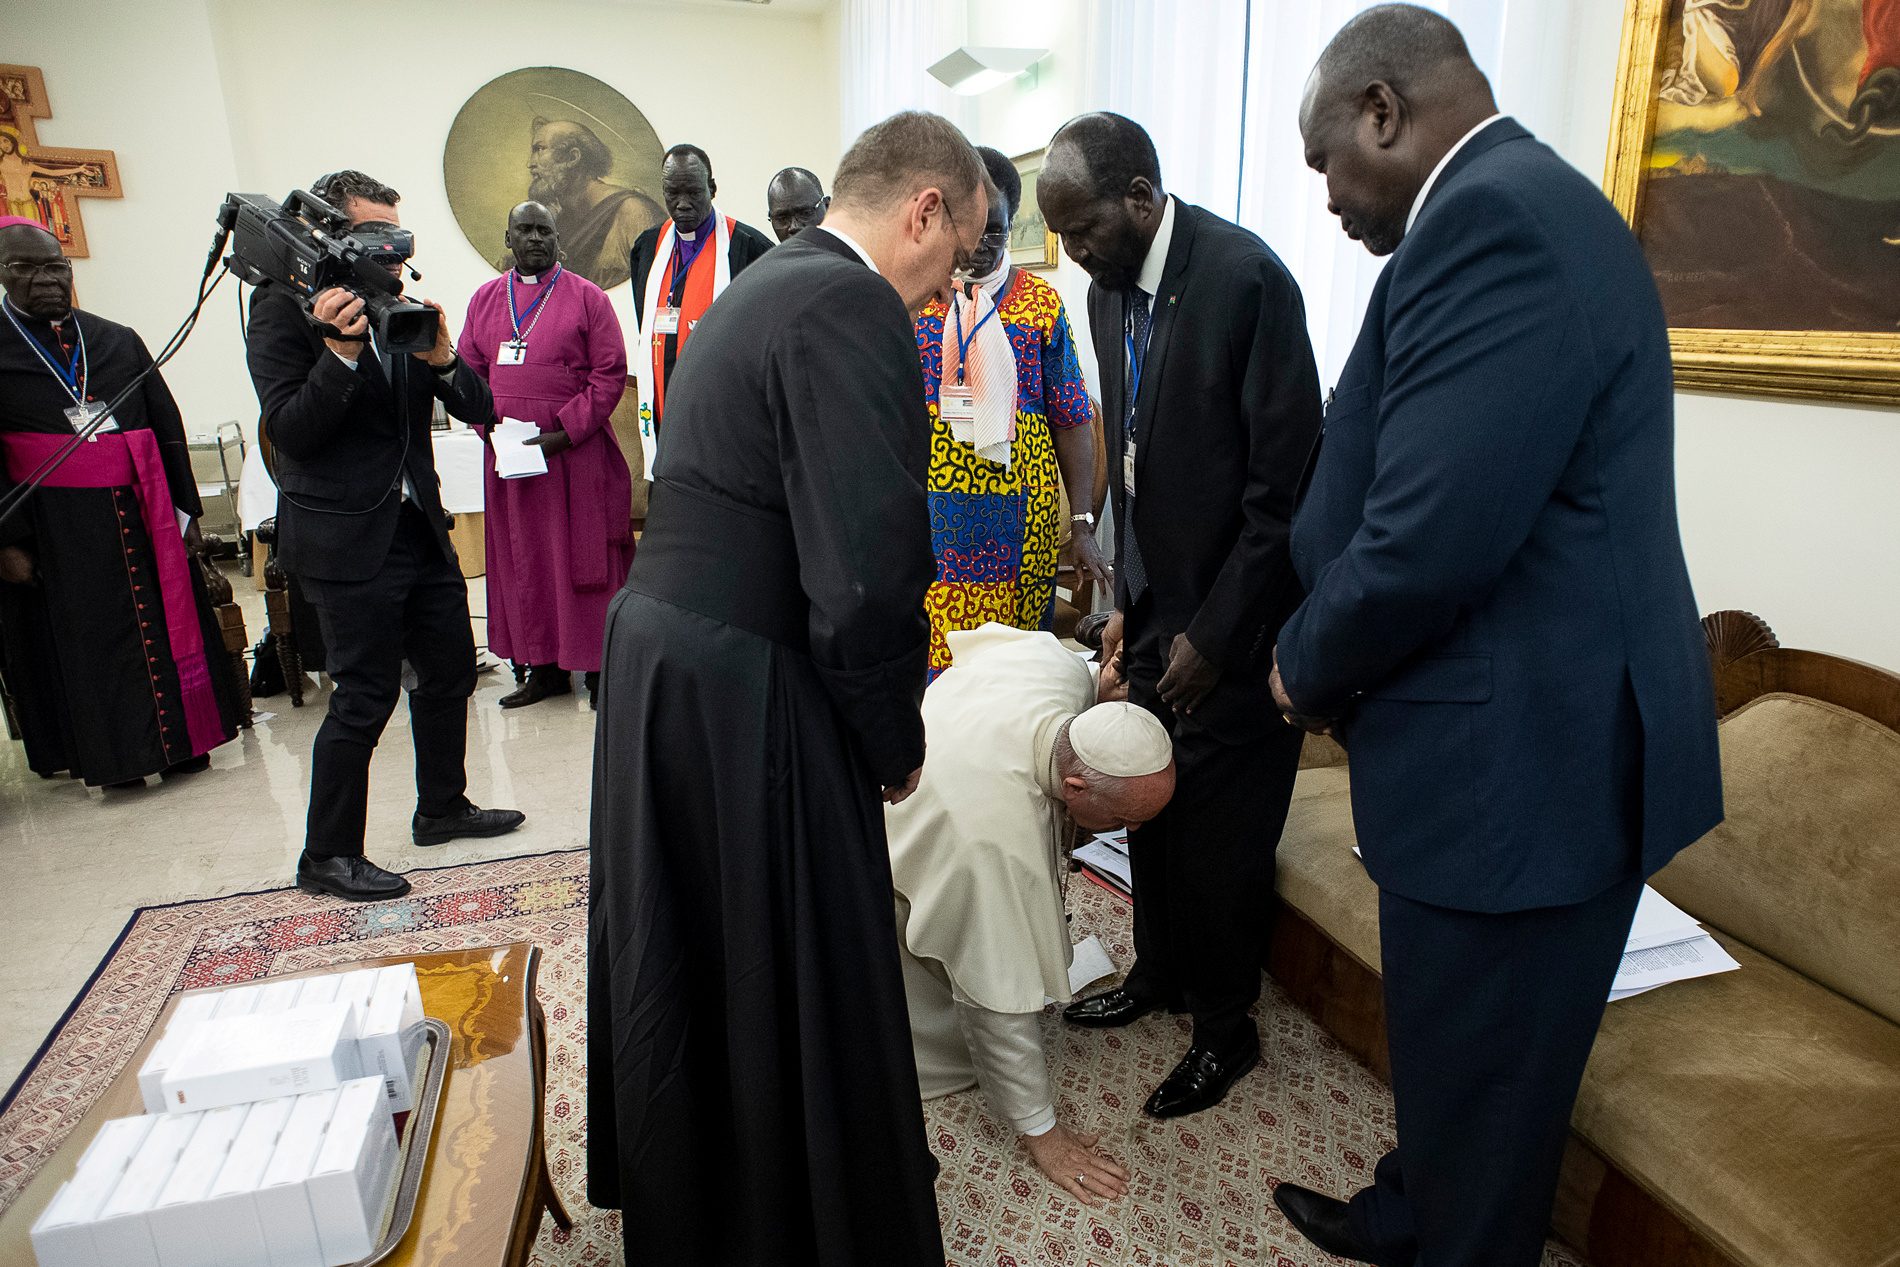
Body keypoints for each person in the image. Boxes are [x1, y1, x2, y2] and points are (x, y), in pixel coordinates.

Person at [1267, 9, 1725, 1265]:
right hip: (1501, 755)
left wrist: (1300, 664)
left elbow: (1427, 539)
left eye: (1325, 166)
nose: (1329, 200)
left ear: (1382, 109)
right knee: (1460, 1057)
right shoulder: (1508, 207)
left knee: (1497, 1089)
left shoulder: (1497, 221)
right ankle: (1415, 1208)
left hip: (1523, 773)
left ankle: (1452, 1234)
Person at [587, 110, 987, 1266]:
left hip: (666, 646)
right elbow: (863, 573)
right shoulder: (848, 301)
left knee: (695, 941)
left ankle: (709, 1179)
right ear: (923, 211)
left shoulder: (767, 286)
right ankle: (790, 1204)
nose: (945, 285)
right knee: (786, 942)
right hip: (742, 674)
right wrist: (887, 737)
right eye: (957, 250)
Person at [1037, 112, 1324, 1118]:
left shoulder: (1247, 281)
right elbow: (1133, 465)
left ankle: (1222, 1025)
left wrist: (1217, 633)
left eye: (1081, 231)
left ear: (1141, 198)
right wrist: (1128, 606)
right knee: (1142, 803)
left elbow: (1284, 494)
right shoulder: (1108, 291)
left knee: (1221, 838)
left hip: (1243, 627)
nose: (1071, 255)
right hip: (1163, 607)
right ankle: (1155, 973)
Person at [245, 170, 524, 903]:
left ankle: (442, 807)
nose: (393, 253)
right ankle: (327, 854)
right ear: (334, 235)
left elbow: (479, 405)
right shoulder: (281, 310)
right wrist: (337, 355)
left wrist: (444, 359)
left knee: (451, 670)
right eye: (376, 237)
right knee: (364, 695)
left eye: (399, 239)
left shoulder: (399, 306)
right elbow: (292, 434)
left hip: (415, 527)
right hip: (344, 539)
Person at [887, 623, 1173, 1207]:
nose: (1136, 833)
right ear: (1074, 785)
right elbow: (997, 1008)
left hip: (944, 775)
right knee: (977, 986)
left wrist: (1100, 683)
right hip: (890, 866)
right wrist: (1044, 1135)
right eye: (1126, 818)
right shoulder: (995, 846)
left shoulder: (1062, 668)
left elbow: (1074, 670)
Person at [0, 217, 243, 788]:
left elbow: (167, 425)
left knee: (166, 624)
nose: (46, 280)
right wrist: (4, 540)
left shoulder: (114, 338)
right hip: (57, 531)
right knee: (92, 645)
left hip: (145, 515)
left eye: (55, 266)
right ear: (3, 273)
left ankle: (187, 742)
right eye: (27, 269)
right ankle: (118, 760)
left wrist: (187, 515)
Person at [913, 145, 1109, 677]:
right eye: (969, 228)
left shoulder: (1040, 303)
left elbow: (1071, 415)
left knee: (1016, 675)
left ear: (1011, 222)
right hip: (934, 518)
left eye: (993, 231)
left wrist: (1085, 524)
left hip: (1025, 519)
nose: (978, 246)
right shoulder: (917, 299)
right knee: (946, 669)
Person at [457, 202, 631, 710]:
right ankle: (544, 669)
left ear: (560, 240)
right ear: (507, 238)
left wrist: (562, 435)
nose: (534, 238)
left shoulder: (588, 298)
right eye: (524, 230)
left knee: (585, 560)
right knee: (525, 561)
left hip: (575, 458)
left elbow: (609, 376)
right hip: (513, 465)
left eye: (544, 231)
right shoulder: (485, 301)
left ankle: (602, 672)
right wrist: (489, 429)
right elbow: (468, 377)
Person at [626, 144, 774, 478]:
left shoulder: (750, 249)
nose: (682, 204)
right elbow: (645, 330)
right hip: (662, 410)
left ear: (713, 188)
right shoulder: (647, 249)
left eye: (693, 192)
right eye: (671, 193)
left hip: (725, 418)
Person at [526, 117, 661, 289]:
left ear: (572, 157)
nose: (530, 164)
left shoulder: (633, 212)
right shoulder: (559, 220)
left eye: (539, 149)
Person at [765, 165, 830, 242]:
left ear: (828, 207)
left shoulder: (846, 250)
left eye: (805, 213)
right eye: (782, 219)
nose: (794, 227)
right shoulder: (767, 253)